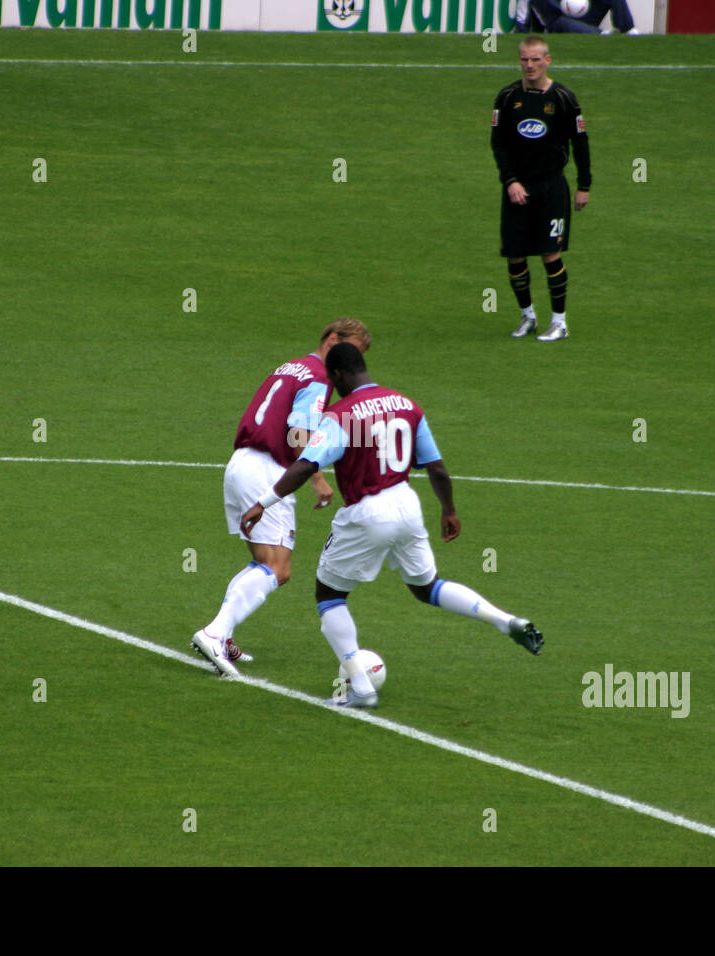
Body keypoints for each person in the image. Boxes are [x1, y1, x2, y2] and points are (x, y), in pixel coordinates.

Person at [240, 343, 544, 708]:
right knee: (426, 587)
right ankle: (503, 619)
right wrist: (448, 510)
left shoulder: (341, 415)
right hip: (407, 504)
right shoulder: (407, 405)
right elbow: (437, 468)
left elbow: (305, 465)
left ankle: (361, 688)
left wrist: (263, 503)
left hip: (368, 513)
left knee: (330, 595)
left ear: (337, 376)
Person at [193, 318, 372, 678]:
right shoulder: (318, 376)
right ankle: (214, 632)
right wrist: (317, 478)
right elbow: (297, 432)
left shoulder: (294, 366)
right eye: (351, 349)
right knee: (278, 567)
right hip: (267, 469)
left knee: (263, 560)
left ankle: (222, 633)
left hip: (242, 463)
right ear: (333, 340)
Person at [491, 35, 591, 342]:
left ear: (548, 60)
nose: (530, 65)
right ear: (518, 60)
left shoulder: (564, 98)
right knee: (516, 256)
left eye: (536, 59)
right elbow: (499, 143)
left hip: (551, 188)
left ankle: (559, 322)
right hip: (517, 189)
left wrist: (583, 185)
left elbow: (580, 143)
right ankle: (528, 317)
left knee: (550, 253)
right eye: (525, 59)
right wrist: (510, 181)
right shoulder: (507, 97)